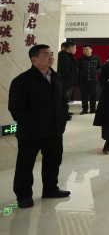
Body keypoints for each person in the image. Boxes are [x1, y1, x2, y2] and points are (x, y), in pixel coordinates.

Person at [9, 44, 71, 208]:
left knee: (53, 161)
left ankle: (50, 189)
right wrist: (32, 123)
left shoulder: (57, 77)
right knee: (25, 165)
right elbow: (16, 108)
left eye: (51, 54)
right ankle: (23, 196)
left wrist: (63, 117)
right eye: (46, 55)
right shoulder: (22, 81)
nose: (51, 57)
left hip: (54, 129)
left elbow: (63, 100)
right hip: (31, 132)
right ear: (34, 59)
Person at [76, 44, 102, 114]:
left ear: (91, 50)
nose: (85, 51)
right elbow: (77, 70)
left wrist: (96, 72)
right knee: (84, 95)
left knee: (93, 95)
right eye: (84, 50)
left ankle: (93, 109)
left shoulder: (96, 58)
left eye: (87, 49)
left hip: (93, 80)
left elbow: (100, 68)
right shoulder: (80, 59)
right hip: (83, 80)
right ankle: (84, 109)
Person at [57, 41, 78, 109]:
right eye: (75, 48)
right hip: (65, 81)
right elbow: (65, 70)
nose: (75, 49)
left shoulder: (69, 56)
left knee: (67, 98)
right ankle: (63, 112)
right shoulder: (63, 56)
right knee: (64, 97)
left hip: (69, 81)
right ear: (70, 48)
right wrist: (71, 78)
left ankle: (65, 111)